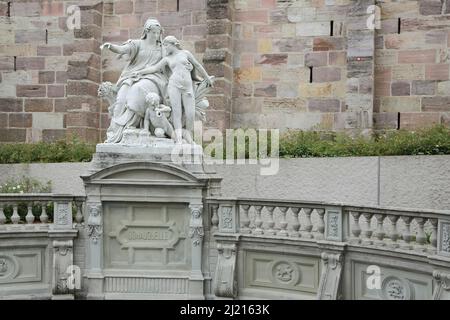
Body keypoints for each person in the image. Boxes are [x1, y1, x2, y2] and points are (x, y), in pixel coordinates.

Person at [100, 18, 169, 143]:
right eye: (153, 32)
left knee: (137, 90)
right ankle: (115, 134)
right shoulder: (137, 44)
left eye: (158, 33)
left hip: (153, 78)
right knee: (121, 99)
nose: (156, 35)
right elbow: (122, 49)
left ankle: (131, 126)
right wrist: (110, 46)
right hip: (132, 76)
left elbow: (169, 64)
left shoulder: (163, 48)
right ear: (146, 31)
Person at [136, 36, 214, 144]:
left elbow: (197, 65)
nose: (165, 48)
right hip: (174, 86)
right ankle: (178, 138)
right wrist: (139, 72)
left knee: (190, 114)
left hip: (187, 87)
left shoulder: (185, 53)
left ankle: (188, 135)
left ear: (173, 44)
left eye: (166, 45)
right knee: (176, 113)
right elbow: (154, 68)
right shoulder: (167, 59)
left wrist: (207, 77)